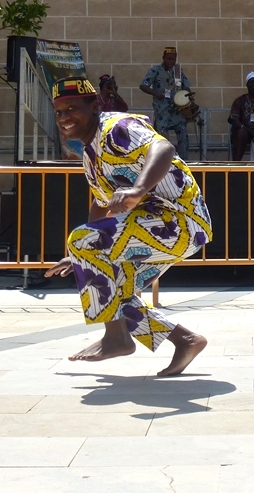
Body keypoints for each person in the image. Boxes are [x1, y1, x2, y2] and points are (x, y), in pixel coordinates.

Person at [45, 76, 213, 377]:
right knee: (115, 292)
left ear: (95, 106)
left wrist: (138, 190)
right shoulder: (90, 154)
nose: (64, 117)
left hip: (179, 220)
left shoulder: (117, 129)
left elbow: (162, 147)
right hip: (152, 226)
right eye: (59, 112)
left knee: (83, 244)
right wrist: (80, 254)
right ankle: (185, 340)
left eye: (72, 108)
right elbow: (101, 203)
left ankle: (115, 339)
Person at [140, 46, 190, 159]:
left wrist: (187, 98)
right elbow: (143, 85)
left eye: (173, 59)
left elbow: (186, 86)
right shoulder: (155, 70)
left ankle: (184, 161)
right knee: (162, 140)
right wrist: (156, 93)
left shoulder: (177, 70)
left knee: (183, 135)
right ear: (163, 58)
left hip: (177, 110)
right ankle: (165, 162)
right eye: (168, 58)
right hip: (162, 111)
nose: (171, 61)